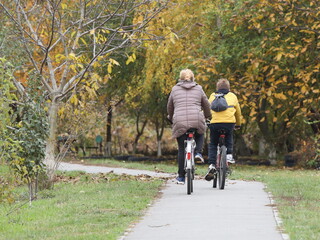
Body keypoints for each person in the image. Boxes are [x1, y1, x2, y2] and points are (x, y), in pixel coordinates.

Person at [167, 69, 212, 184]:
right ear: (193, 78)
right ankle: (198, 152)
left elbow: (170, 106)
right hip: (196, 119)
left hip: (179, 121)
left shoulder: (175, 89)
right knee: (201, 132)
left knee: (182, 149)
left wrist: (171, 117)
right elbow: (206, 104)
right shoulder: (198, 88)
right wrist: (208, 115)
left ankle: (181, 177)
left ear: (180, 78)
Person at [205, 78, 242, 181]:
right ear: (229, 88)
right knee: (229, 136)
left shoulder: (212, 96)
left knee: (213, 143)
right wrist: (238, 124)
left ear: (217, 87)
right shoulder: (233, 96)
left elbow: (207, 110)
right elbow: (238, 113)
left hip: (215, 124)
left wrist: (208, 120)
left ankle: (212, 164)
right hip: (229, 123)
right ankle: (229, 155)